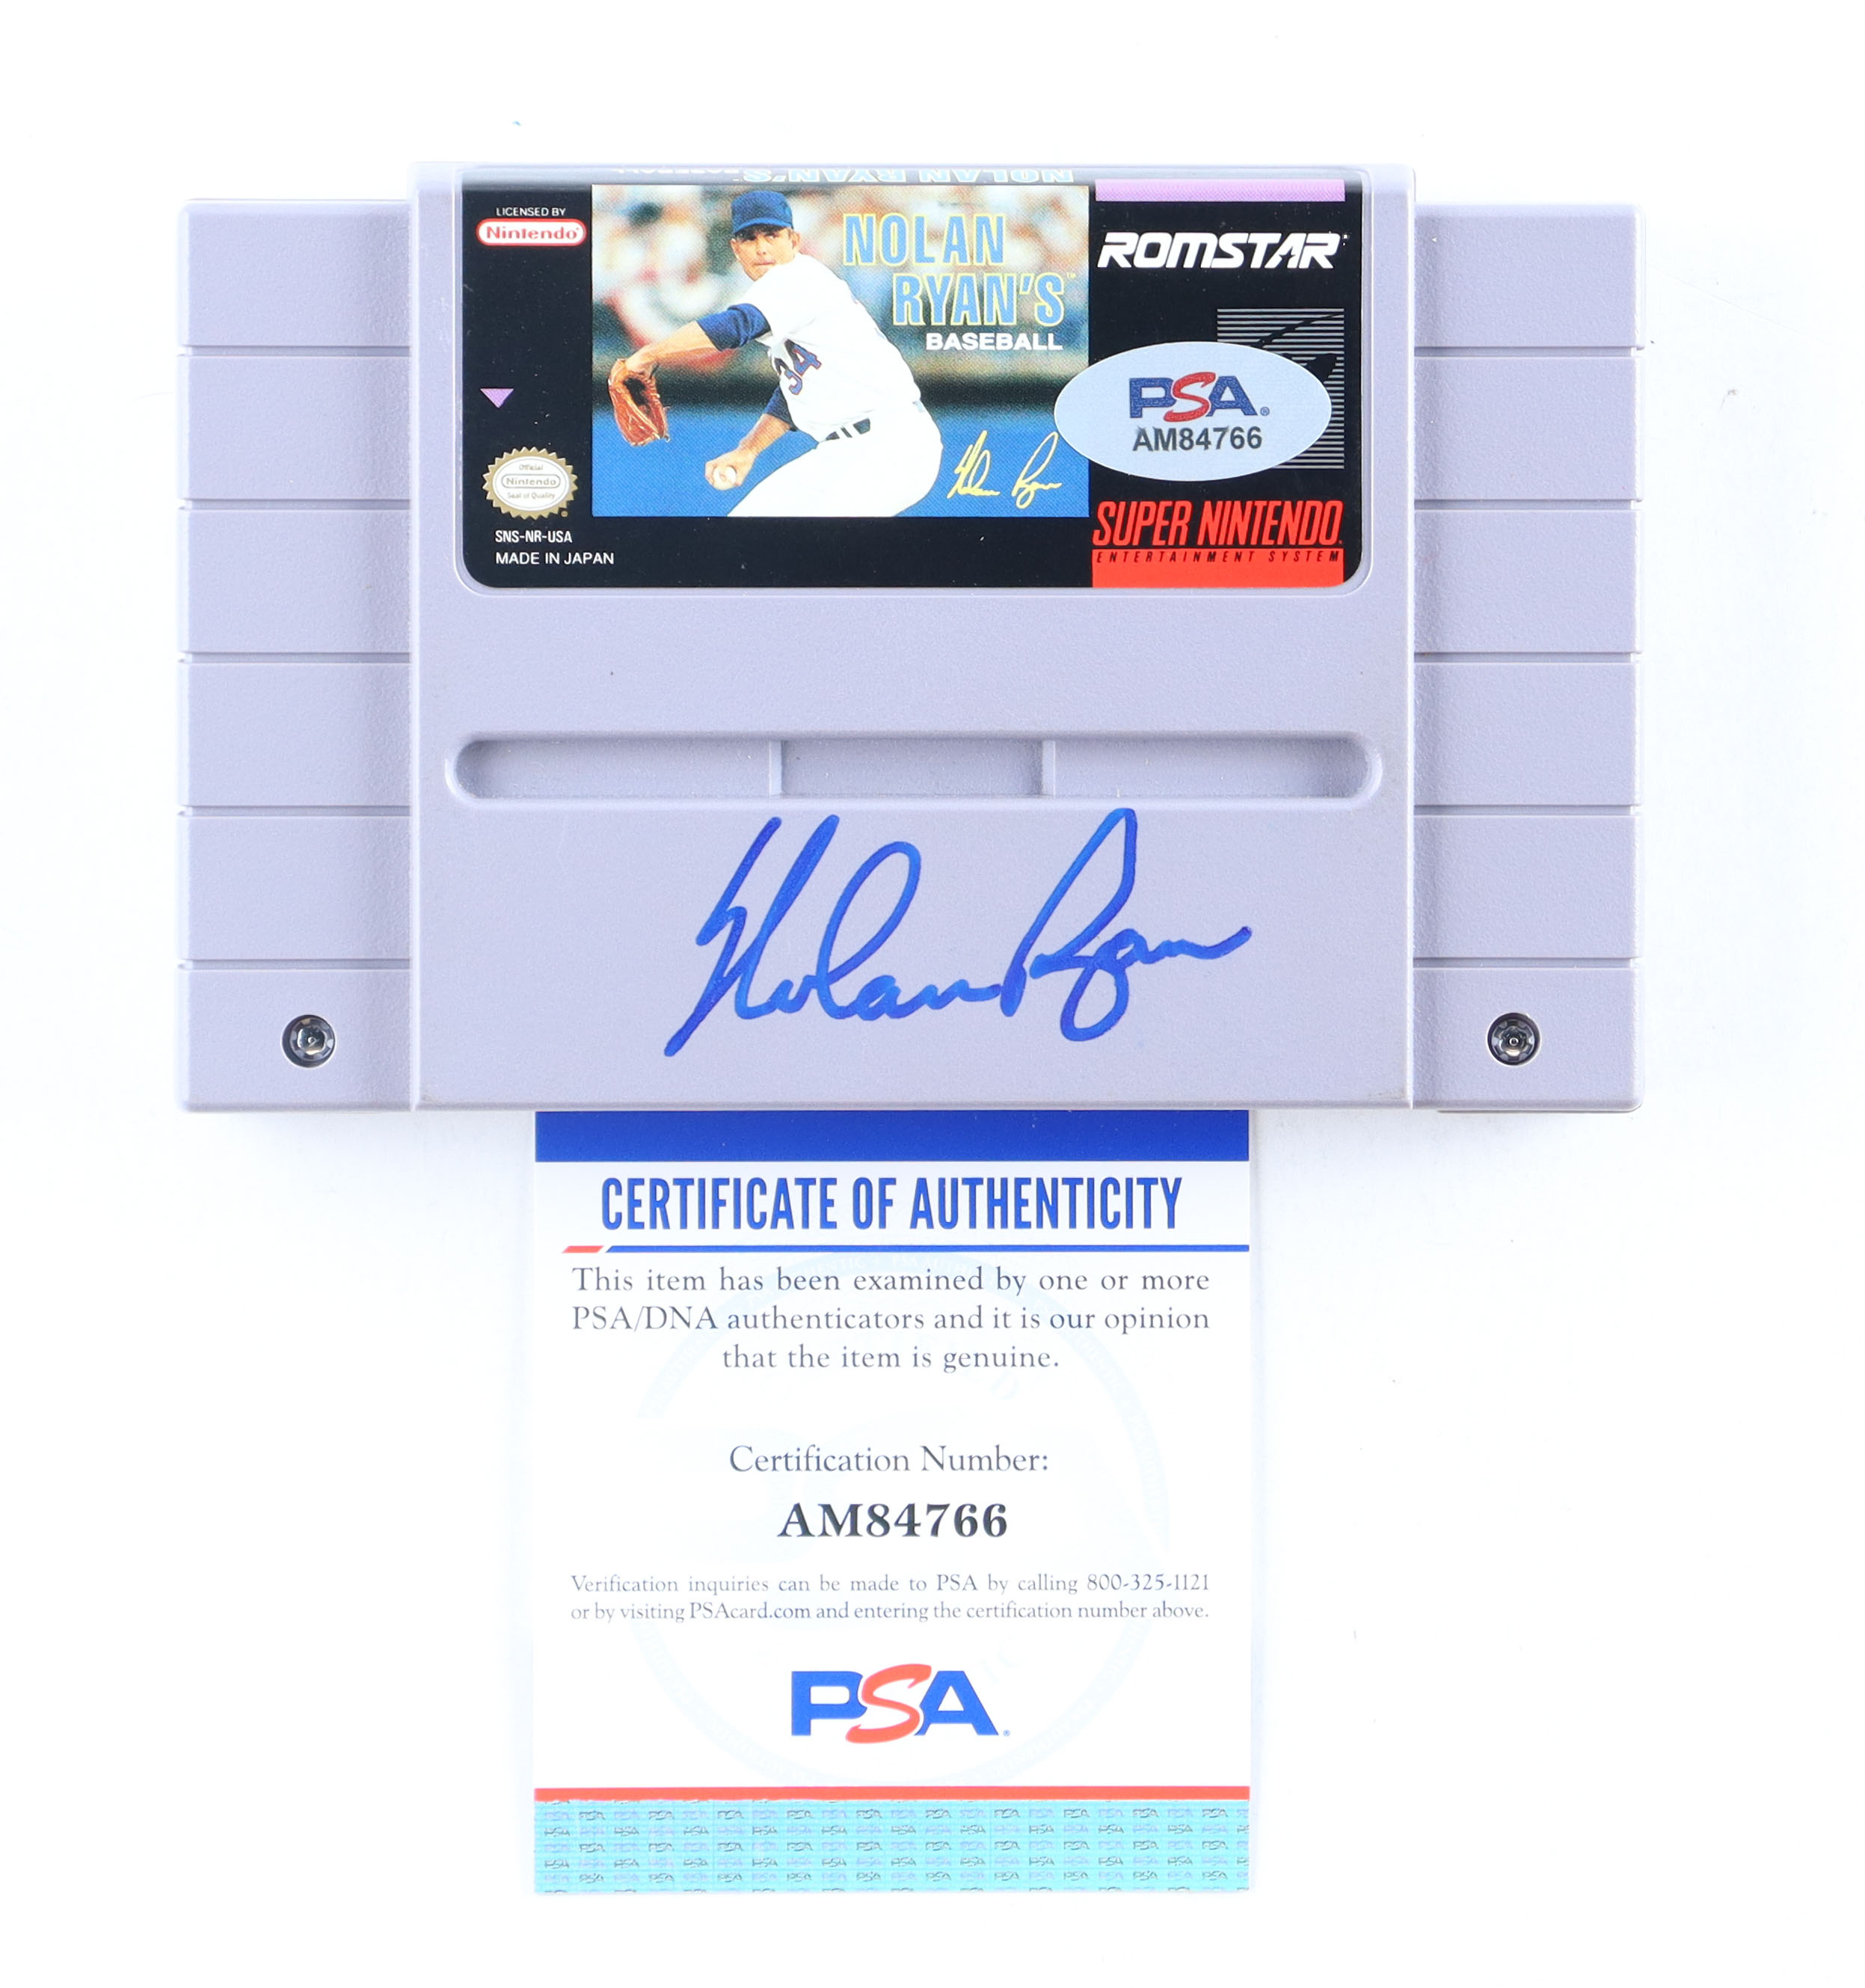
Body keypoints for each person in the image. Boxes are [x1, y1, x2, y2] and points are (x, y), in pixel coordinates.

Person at [608, 190, 942, 517]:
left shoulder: (799, 277)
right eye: (750, 238)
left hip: (894, 445)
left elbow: (735, 326)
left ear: (793, 241)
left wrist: (647, 356)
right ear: (736, 249)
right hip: (843, 451)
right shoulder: (780, 296)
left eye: (772, 235)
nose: (762, 248)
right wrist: (748, 450)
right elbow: (793, 393)